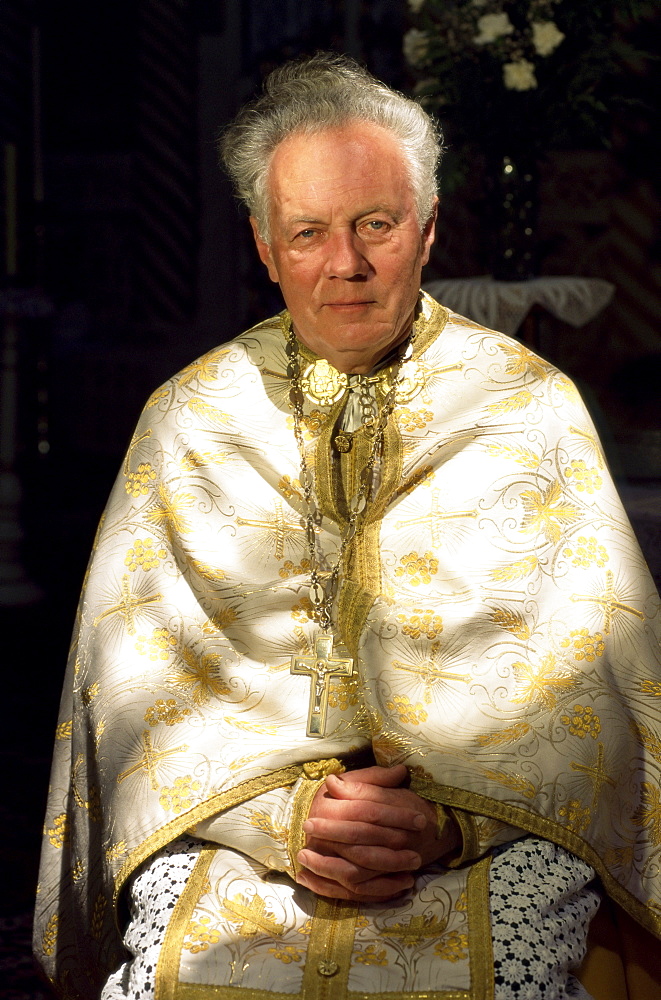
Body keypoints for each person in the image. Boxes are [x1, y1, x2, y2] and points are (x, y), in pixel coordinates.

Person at [34, 53, 661, 1000]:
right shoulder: (190, 418)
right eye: (308, 232)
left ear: (429, 226)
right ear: (261, 243)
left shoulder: (528, 406)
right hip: (232, 827)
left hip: (490, 835)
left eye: (376, 224)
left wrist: (452, 822)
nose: (346, 265)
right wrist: (281, 820)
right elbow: (132, 698)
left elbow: (597, 694)